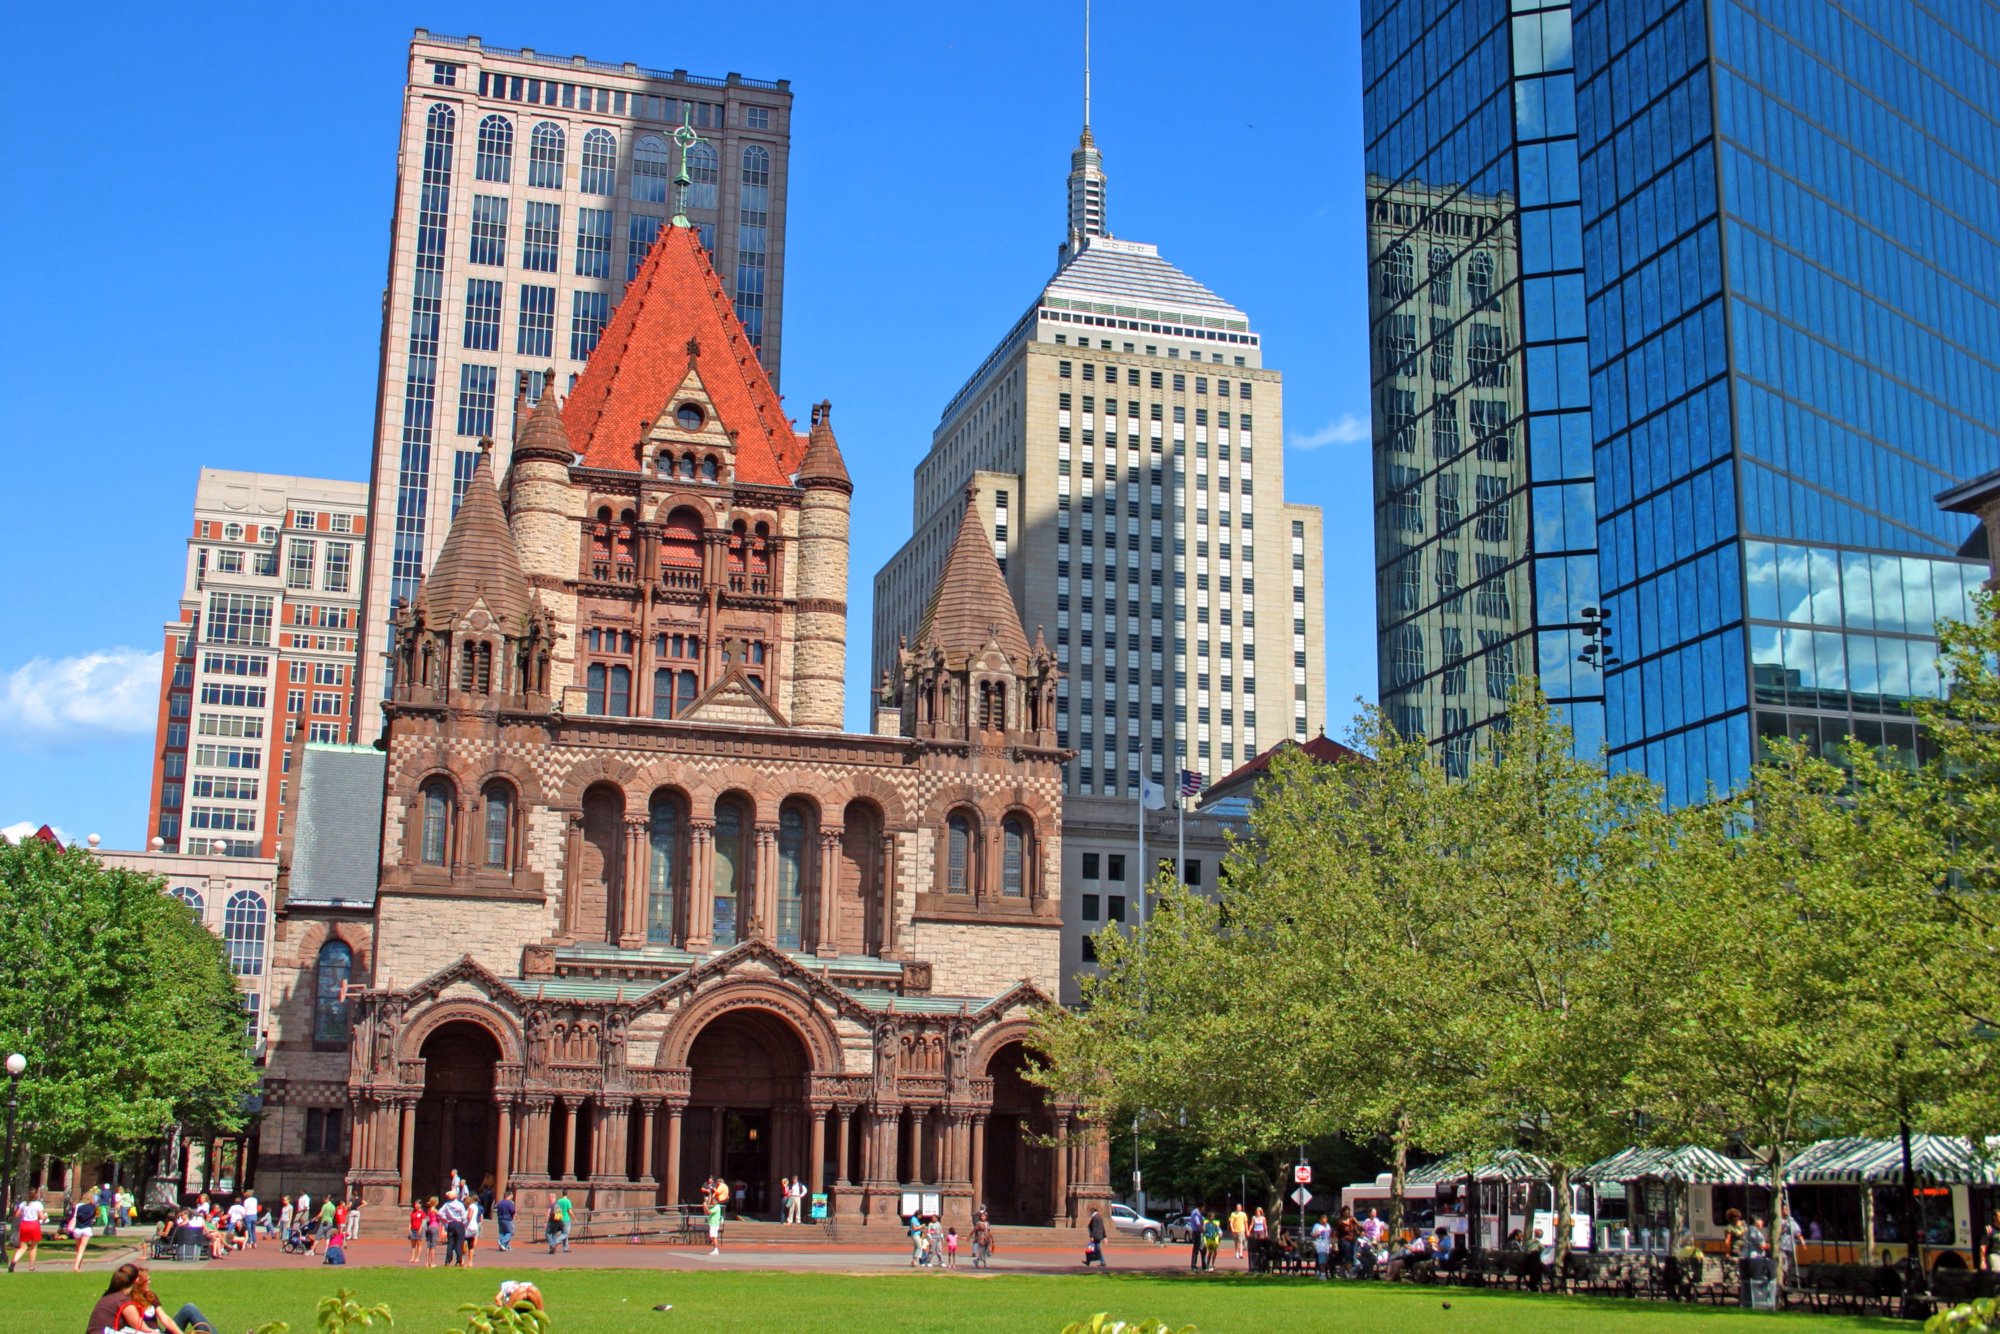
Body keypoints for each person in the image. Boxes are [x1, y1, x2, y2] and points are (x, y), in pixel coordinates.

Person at [11, 1186, 47, 1271]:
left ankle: (13, 1261)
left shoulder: (23, 1203)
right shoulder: (38, 1204)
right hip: (34, 1224)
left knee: (23, 1247)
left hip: (24, 1225)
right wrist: (45, 1217)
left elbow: (16, 1215)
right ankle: (31, 1266)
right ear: (35, 1194)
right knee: (33, 1247)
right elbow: (41, 1216)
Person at [1739, 1215, 1771, 1308]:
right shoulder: (1753, 1231)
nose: (1763, 1223)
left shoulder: (1751, 1230)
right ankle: (1753, 1301)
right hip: (1753, 1259)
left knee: (1747, 1282)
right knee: (1754, 1280)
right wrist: (1769, 1245)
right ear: (1756, 1221)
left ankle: (1748, 1301)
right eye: (1761, 1220)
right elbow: (1760, 1246)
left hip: (1750, 1258)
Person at [68, 1192, 98, 1271]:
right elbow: (94, 1216)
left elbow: (75, 1216)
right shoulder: (93, 1207)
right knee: (82, 1248)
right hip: (86, 1229)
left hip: (77, 1229)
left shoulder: (78, 1206)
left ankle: (78, 1266)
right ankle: (76, 1266)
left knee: (78, 1248)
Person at [440, 1191, 470, 1267]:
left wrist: (445, 1218)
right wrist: (465, 1224)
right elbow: (463, 1216)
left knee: (450, 1243)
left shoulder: (447, 1204)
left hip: (451, 1223)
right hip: (459, 1223)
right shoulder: (460, 1204)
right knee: (459, 1242)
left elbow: (440, 1212)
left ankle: (447, 1261)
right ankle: (459, 1260)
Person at [1776, 1204, 1802, 1286]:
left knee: (1789, 1266)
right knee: (1784, 1266)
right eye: (1784, 1209)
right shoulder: (1777, 1220)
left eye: (1787, 1209)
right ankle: (1782, 1283)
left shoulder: (1791, 1220)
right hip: (1781, 1246)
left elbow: (1797, 1232)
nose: (1786, 1211)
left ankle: (1787, 1282)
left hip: (1790, 1246)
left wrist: (1802, 1240)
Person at [1311, 1213, 1333, 1279]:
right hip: (1320, 1245)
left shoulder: (1328, 1226)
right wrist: (1316, 1235)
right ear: (1320, 1219)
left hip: (1326, 1245)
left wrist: (1331, 1244)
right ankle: (1323, 1275)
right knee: (1322, 1261)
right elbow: (1312, 1236)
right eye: (1323, 1217)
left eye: (1326, 1217)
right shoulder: (1317, 1226)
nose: (1325, 1219)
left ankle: (1319, 1272)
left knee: (1326, 1261)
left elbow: (1329, 1236)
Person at [706, 1187, 724, 1256]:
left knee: (714, 1236)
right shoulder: (714, 1206)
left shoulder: (716, 1207)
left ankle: (716, 1249)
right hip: (712, 1223)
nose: (712, 1202)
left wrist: (705, 1206)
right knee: (713, 1236)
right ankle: (715, 1249)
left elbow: (709, 1212)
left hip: (714, 1224)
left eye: (713, 1201)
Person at [1982, 1208, 2000, 1274]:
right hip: (1995, 1255)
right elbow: (1983, 1246)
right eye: (1999, 1216)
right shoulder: (1989, 1229)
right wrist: (1982, 1261)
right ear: (1994, 1217)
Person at [408, 1200, 426, 1266]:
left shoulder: (422, 1213)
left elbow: (423, 1222)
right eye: (415, 1204)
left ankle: (417, 1257)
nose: (415, 1206)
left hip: (419, 1230)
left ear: (420, 1205)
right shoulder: (413, 1212)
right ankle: (412, 1257)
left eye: (417, 1204)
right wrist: (409, 1228)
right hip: (413, 1229)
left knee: (419, 1244)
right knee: (413, 1245)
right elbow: (411, 1221)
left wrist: (420, 1229)